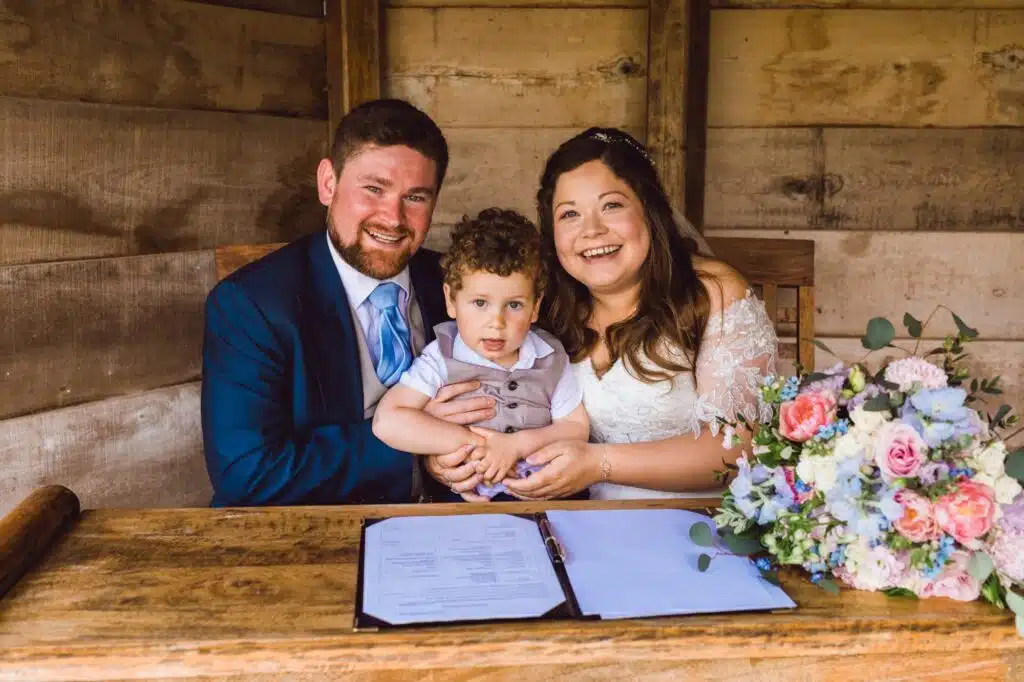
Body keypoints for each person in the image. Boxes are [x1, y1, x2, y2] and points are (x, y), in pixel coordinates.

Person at [427, 127, 779, 500]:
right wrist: (444, 456)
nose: (592, 231)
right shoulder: (542, 307)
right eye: (570, 215)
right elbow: (493, 405)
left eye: (611, 206)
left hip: (700, 528)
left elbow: (738, 448)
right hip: (577, 526)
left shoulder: (713, 294)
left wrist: (599, 464)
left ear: (648, 210)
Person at [200, 98, 496, 507]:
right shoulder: (250, 305)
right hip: (308, 538)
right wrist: (416, 445)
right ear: (328, 183)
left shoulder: (455, 282)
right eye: (374, 189)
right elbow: (247, 473)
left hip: (457, 522)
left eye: (416, 197)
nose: (392, 217)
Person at [372, 208, 589, 500]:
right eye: (479, 303)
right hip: (468, 502)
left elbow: (575, 427)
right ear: (451, 300)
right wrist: (471, 442)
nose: (496, 323)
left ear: (536, 306)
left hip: (547, 497)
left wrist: (517, 445)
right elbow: (388, 420)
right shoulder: (441, 357)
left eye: (514, 305)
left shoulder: (549, 355)